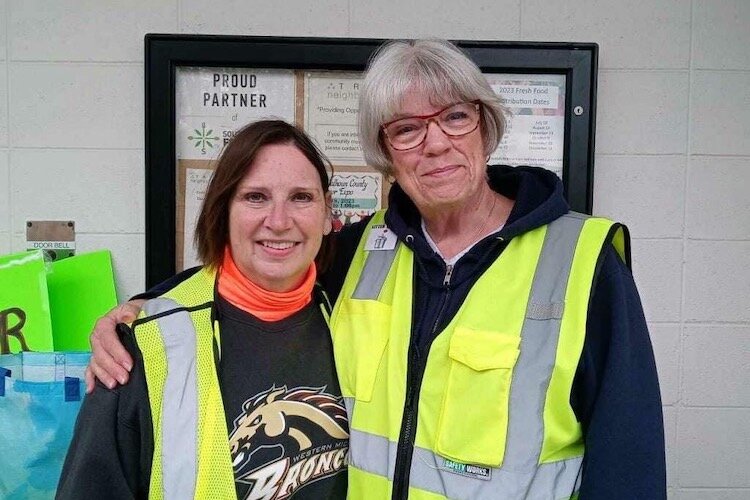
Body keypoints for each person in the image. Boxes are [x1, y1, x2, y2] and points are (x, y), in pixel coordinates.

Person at [86, 39, 666, 499]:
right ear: (385, 155)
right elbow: (257, 267)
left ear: (487, 128)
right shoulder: (362, 249)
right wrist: (137, 312)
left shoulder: (584, 263)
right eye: (407, 129)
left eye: (455, 117)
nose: (434, 144)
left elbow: (629, 460)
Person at [57, 120, 349, 500]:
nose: (279, 222)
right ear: (222, 210)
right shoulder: (143, 347)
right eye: (255, 197)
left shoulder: (351, 320)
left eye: (301, 197)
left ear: (327, 213)